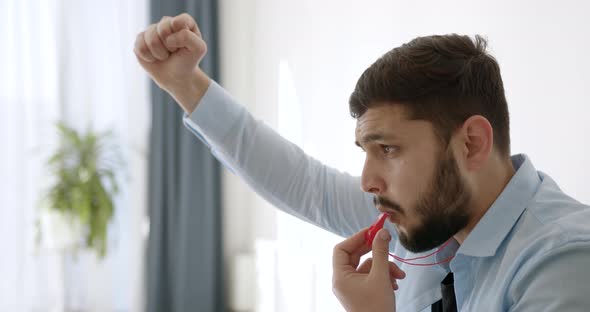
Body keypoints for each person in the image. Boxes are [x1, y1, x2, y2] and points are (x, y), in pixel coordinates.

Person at [134, 13, 590, 312]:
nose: (369, 181)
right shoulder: (423, 219)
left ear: (471, 143)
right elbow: (303, 184)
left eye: (388, 150)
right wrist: (185, 84)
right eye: (366, 152)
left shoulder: (564, 263)